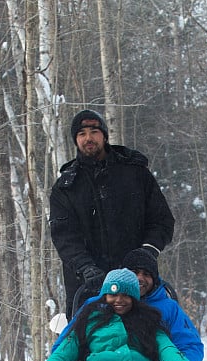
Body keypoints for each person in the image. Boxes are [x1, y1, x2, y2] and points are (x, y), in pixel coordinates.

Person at [49, 109, 175, 319]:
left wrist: (145, 254)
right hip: (88, 288)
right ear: (75, 140)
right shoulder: (65, 187)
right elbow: (64, 237)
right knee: (90, 346)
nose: (88, 138)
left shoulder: (135, 172)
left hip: (137, 284)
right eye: (82, 134)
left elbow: (161, 220)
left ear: (105, 135)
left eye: (94, 131)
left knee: (146, 342)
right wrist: (86, 268)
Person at [35, 269, 207, 361]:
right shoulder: (90, 320)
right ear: (104, 296)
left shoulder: (148, 322)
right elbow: (63, 353)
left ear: (134, 298)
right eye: (113, 295)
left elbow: (167, 349)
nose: (119, 300)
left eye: (125, 295)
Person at [121, 248, 204, 361]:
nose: (139, 278)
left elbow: (190, 347)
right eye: (134, 272)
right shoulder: (106, 303)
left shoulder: (169, 308)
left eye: (146, 274)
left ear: (154, 279)